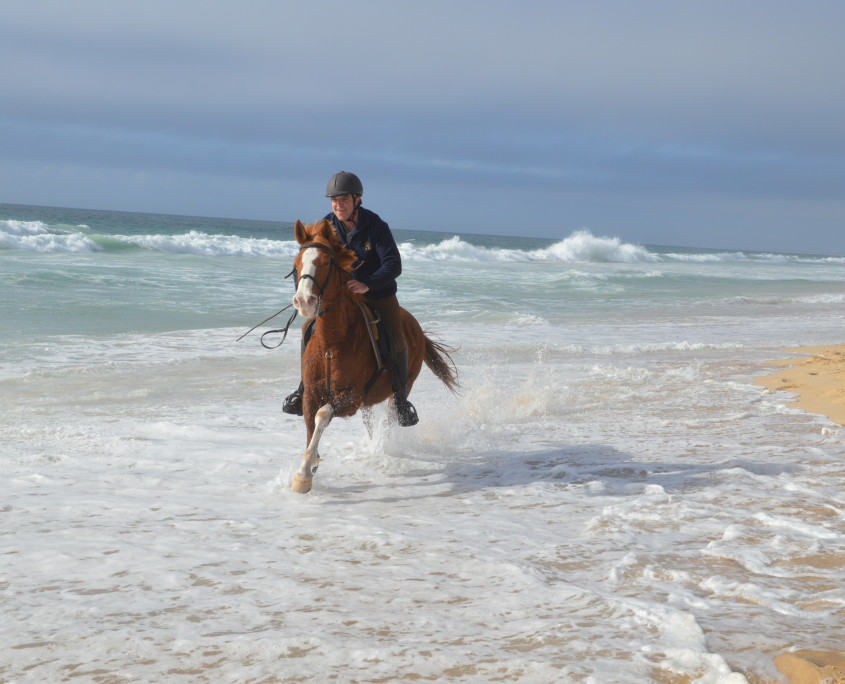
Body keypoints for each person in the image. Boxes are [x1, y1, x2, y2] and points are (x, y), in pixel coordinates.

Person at [282, 171, 419, 426]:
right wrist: (304, 292)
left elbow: (393, 264)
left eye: (344, 199)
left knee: (395, 334)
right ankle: (303, 389)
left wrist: (368, 284)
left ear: (357, 200)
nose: (338, 205)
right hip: (341, 298)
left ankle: (400, 397)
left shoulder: (376, 226)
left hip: (377, 294)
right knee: (308, 330)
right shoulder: (326, 226)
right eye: (334, 200)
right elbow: (306, 263)